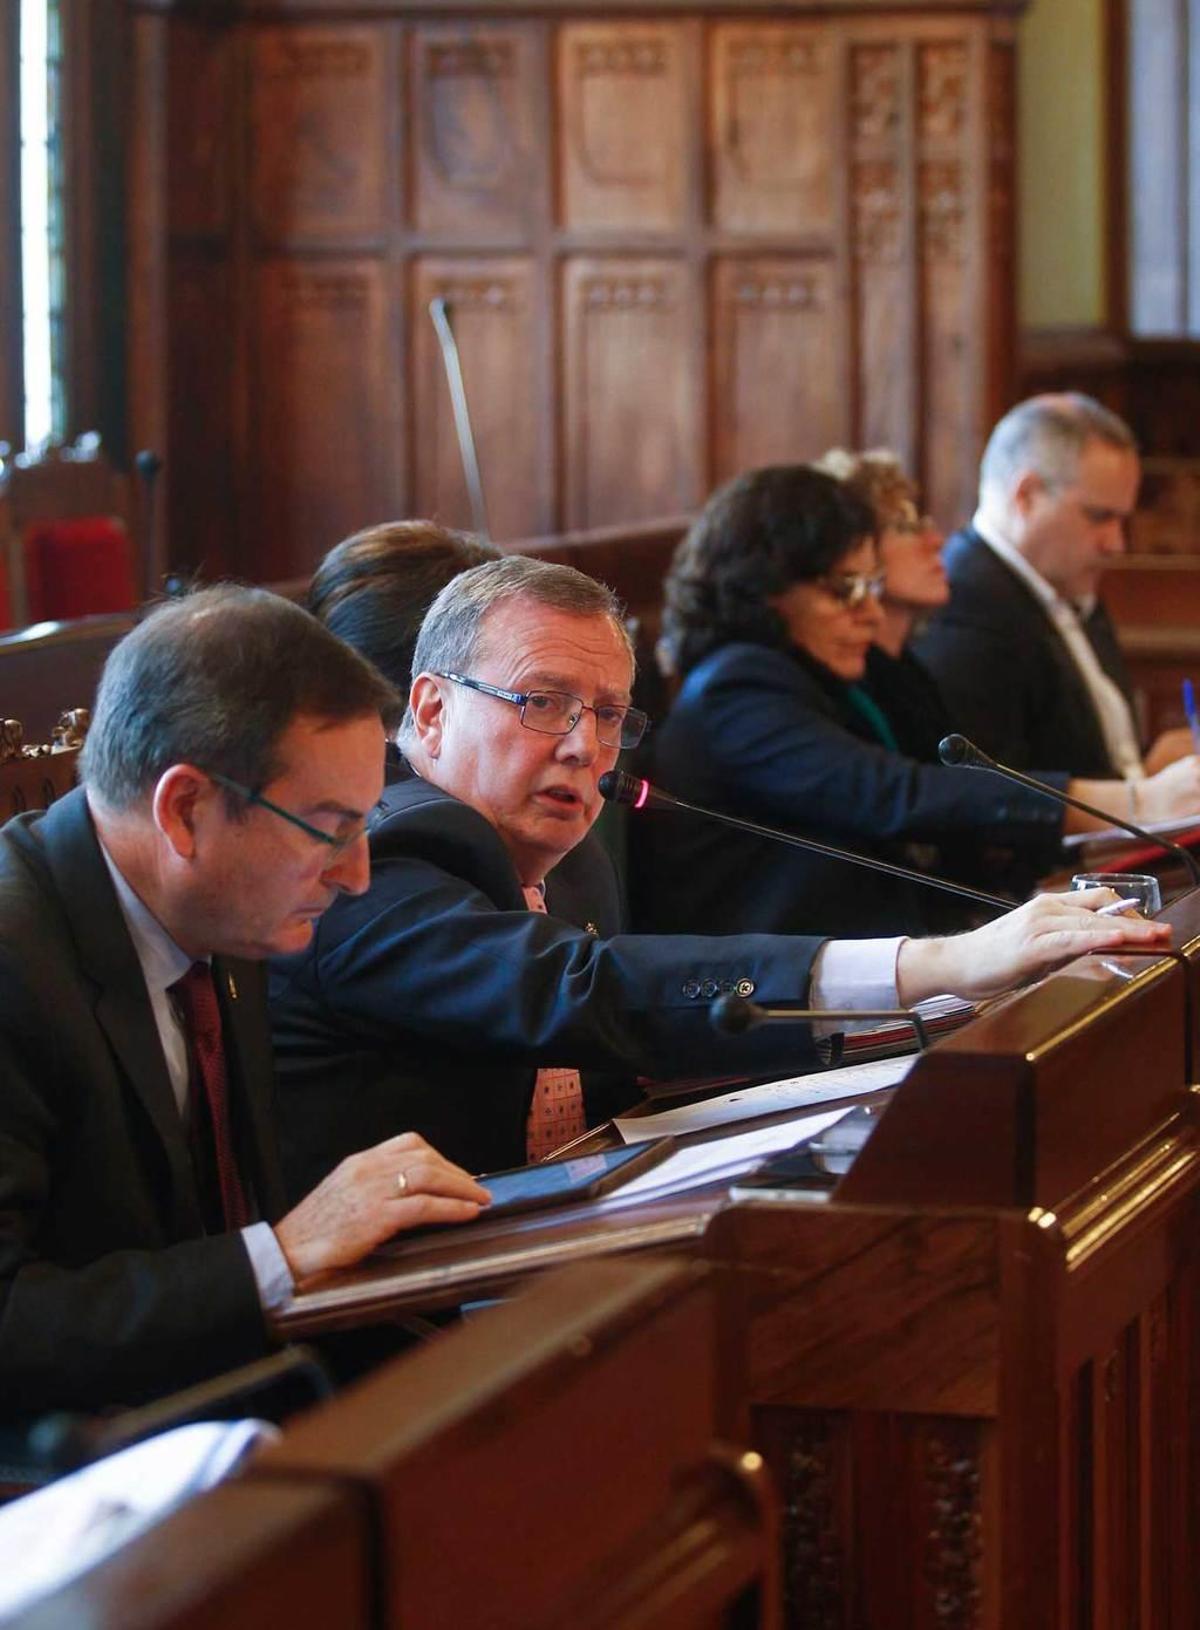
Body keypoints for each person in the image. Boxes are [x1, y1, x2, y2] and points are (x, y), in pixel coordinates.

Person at [269, 552, 1168, 1190]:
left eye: (610, 713)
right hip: (389, 1339)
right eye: (541, 703)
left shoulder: (566, 864)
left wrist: (930, 1022)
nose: (585, 746)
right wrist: (928, 966)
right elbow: (584, 993)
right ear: (428, 710)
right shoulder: (368, 860)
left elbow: (629, 1064)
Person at [0, 585, 488, 1420]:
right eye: (329, 827)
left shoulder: (228, 912)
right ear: (186, 811)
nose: (356, 874)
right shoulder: (15, 961)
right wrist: (280, 1253)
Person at [913, 392, 1195, 787]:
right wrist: (1147, 785)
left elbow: (1092, 755)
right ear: (1026, 495)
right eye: (1099, 517)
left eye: (1122, 519)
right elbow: (998, 802)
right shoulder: (962, 608)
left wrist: (1159, 765)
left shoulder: (1070, 585)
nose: (1116, 544)